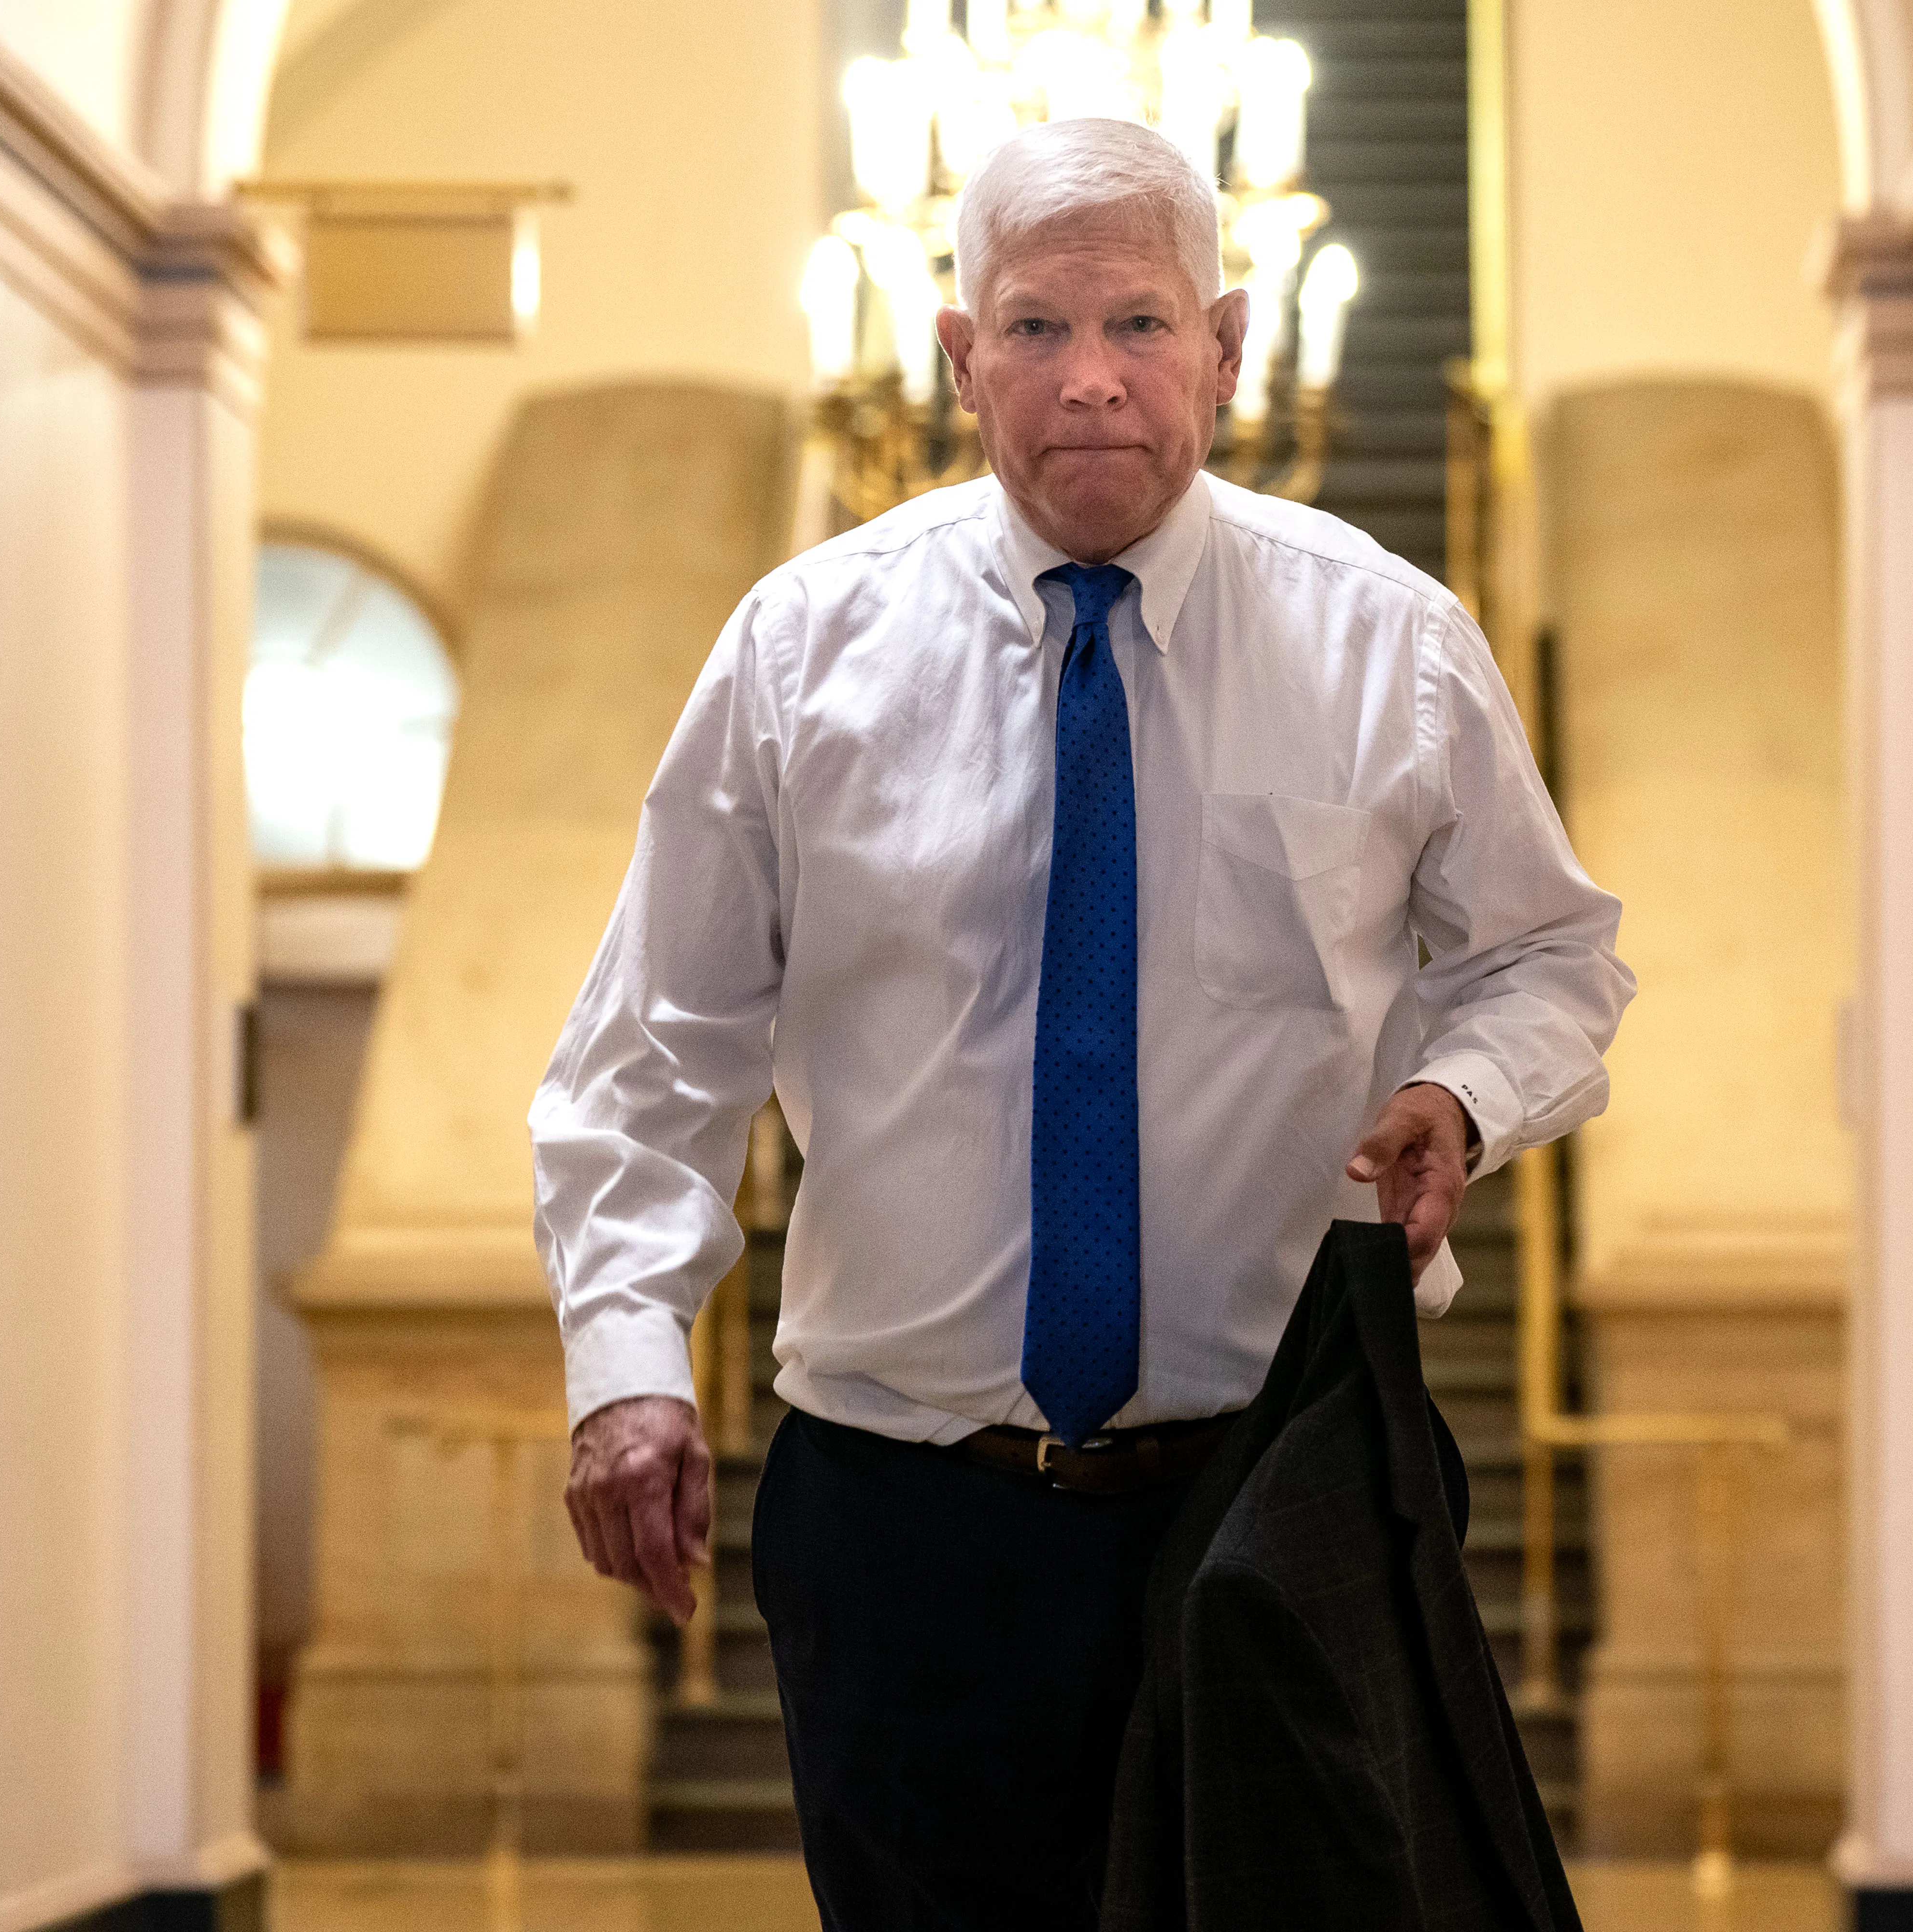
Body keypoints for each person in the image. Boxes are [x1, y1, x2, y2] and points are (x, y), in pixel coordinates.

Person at [531, 115, 1631, 1930]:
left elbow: (1553, 955)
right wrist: (632, 1367)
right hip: (907, 1525)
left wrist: (1461, 1087)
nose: (1095, 382)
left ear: (1229, 343)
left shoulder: (1391, 644)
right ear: (959, 359)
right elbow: (660, 1043)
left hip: (1283, 1501)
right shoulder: (805, 650)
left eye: (1139, 324)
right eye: (1037, 330)